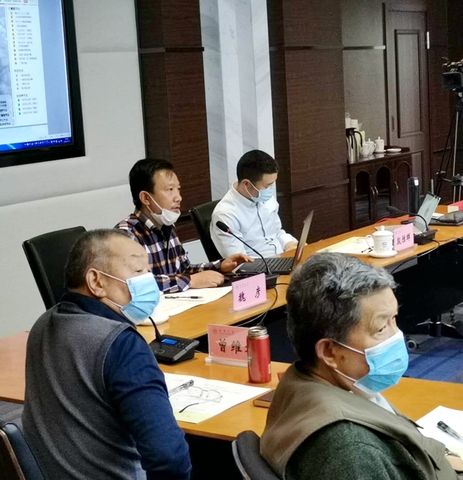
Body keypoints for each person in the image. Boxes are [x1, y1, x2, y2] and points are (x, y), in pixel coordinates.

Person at [260, 253, 463, 480]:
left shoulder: (320, 383)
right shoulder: (350, 450)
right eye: (380, 329)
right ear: (329, 352)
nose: (397, 336)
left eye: (394, 319)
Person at [22, 229, 191, 480]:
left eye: (148, 271)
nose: (150, 281)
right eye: (138, 271)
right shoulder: (122, 344)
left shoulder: (42, 324)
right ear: (96, 282)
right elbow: (169, 457)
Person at [116, 158, 251, 292]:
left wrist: (219, 266)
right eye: (170, 189)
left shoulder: (168, 226)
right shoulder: (126, 235)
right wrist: (190, 281)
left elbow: (183, 270)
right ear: (146, 198)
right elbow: (133, 284)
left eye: (178, 189)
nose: (178, 197)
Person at [210, 150, 298, 258]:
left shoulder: (265, 197)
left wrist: (289, 244)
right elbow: (239, 261)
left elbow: (276, 232)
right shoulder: (225, 215)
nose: (270, 190)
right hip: (261, 266)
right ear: (246, 184)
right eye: (267, 186)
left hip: (283, 257)